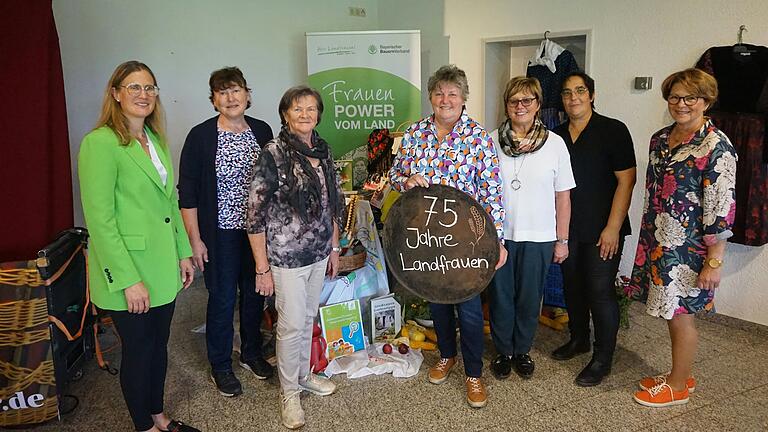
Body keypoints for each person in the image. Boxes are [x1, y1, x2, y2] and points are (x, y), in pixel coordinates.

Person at [78, 61, 199, 432]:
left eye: (150, 87)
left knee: (158, 347)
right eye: (134, 87)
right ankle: (142, 427)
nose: (144, 94)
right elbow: (100, 221)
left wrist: (183, 252)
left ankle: (159, 417)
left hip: (162, 267)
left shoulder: (155, 139)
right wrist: (128, 279)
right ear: (116, 93)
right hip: (129, 271)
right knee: (139, 350)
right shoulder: (100, 143)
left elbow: (168, 204)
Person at [389, 64, 507, 409]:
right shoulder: (415, 134)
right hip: (427, 236)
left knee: (468, 307)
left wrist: (498, 241)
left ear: (463, 97)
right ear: (431, 97)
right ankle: (446, 355)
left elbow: (492, 193)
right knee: (436, 300)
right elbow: (397, 174)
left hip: (467, 240)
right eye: (439, 93)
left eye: (452, 93)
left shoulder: (478, 137)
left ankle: (473, 373)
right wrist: (405, 182)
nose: (445, 99)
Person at [629, 68, 737, 407]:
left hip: (691, 247)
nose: (681, 104)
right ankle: (680, 374)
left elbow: (721, 210)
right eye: (675, 97)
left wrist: (714, 262)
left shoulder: (716, 146)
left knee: (682, 314)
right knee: (673, 313)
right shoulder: (661, 139)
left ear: (706, 101)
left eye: (691, 97)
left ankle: (677, 387)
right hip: (659, 240)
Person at [246, 86, 343, 429]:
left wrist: (334, 248)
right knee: (288, 326)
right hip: (286, 257)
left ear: (319, 113)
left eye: (311, 109)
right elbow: (254, 215)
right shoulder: (273, 152)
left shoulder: (323, 150)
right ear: (285, 114)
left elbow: (333, 203)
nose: (305, 114)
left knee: (307, 318)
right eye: (297, 109)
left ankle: (303, 376)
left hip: (318, 252)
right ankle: (289, 394)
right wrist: (262, 268)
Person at [178, 67, 274, 397]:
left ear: (247, 95)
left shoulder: (262, 131)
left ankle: (251, 354)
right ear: (213, 99)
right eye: (222, 92)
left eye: (236, 90)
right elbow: (187, 193)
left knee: (254, 295)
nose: (230, 98)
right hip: (219, 233)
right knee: (221, 299)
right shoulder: (201, 136)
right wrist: (195, 240)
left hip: (256, 233)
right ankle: (220, 365)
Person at [551, 72, 636, 386]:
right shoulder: (555, 135)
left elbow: (627, 180)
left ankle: (603, 357)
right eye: (567, 93)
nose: (574, 98)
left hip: (604, 228)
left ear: (592, 95)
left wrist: (613, 228)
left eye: (580, 91)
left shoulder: (613, 130)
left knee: (599, 292)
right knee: (572, 286)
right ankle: (579, 339)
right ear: (561, 99)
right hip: (568, 229)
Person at [487, 77, 575, 381]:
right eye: (514, 101)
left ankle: (522, 349)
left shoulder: (555, 144)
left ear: (538, 104)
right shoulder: (490, 141)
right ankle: (503, 352)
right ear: (506, 106)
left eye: (527, 100)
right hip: (499, 237)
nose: (520, 106)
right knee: (500, 296)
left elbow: (563, 197)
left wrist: (561, 240)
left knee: (528, 297)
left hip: (539, 236)